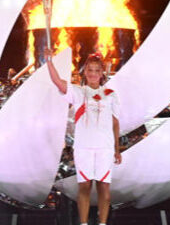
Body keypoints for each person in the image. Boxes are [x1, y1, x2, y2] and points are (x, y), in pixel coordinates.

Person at [44, 47, 121, 225]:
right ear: (85, 72)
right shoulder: (78, 92)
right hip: (83, 147)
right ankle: (84, 223)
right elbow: (57, 81)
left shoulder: (110, 95)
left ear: (102, 73)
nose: (93, 74)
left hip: (105, 147)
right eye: (90, 70)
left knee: (104, 189)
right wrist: (49, 61)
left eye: (97, 71)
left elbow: (115, 124)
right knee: (84, 187)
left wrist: (117, 150)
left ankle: (102, 223)